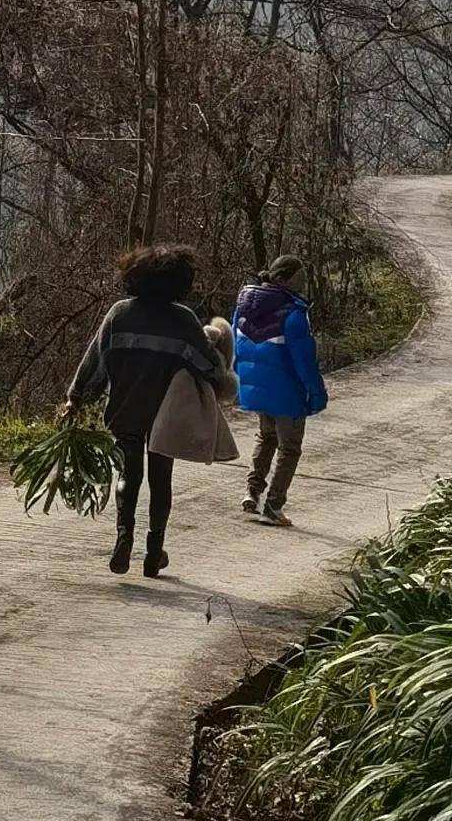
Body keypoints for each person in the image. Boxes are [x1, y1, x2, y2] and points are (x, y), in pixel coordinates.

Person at [66, 243, 223, 579]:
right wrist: (214, 344)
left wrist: (76, 398)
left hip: (125, 407)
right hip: (166, 414)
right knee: (160, 479)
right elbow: (209, 368)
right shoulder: (183, 320)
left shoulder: (120, 314)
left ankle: (123, 536)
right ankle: (154, 552)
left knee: (128, 474)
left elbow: (95, 359)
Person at [231, 257, 329, 522]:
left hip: (256, 387)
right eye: (300, 279)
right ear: (285, 280)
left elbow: (235, 348)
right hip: (287, 392)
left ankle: (252, 492)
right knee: (289, 448)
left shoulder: (244, 307)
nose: (303, 285)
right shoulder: (294, 315)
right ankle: (273, 507)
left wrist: (241, 380)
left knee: (266, 437)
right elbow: (304, 361)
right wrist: (317, 394)